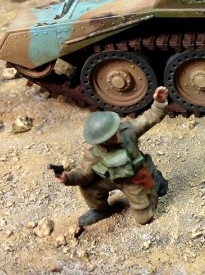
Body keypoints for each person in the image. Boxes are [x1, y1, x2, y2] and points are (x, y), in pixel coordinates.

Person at [56, 86, 170, 227]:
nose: (117, 134)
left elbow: (149, 118)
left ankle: (155, 180)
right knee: (89, 187)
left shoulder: (128, 131)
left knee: (144, 218)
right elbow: (84, 174)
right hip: (110, 178)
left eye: (115, 129)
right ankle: (100, 210)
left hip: (135, 178)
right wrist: (68, 178)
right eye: (111, 135)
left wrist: (159, 103)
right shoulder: (93, 152)